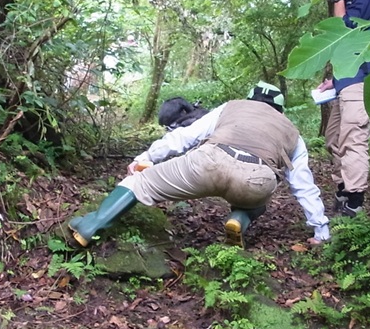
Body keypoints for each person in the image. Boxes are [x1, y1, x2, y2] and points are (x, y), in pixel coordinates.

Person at [69, 82, 331, 248]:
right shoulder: (292, 132)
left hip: (209, 162)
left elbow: (185, 136)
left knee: (139, 183)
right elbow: (303, 185)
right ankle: (239, 219)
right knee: (258, 200)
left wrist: (147, 157)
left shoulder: (232, 107)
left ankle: (92, 225)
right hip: (256, 180)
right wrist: (321, 231)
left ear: (249, 99)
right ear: (280, 109)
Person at [315, 0, 370, 216]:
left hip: (363, 80)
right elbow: (349, 49)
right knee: (334, 138)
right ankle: (343, 190)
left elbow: (343, 32)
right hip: (345, 81)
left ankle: (354, 204)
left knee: (353, 138)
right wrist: (334, 81)